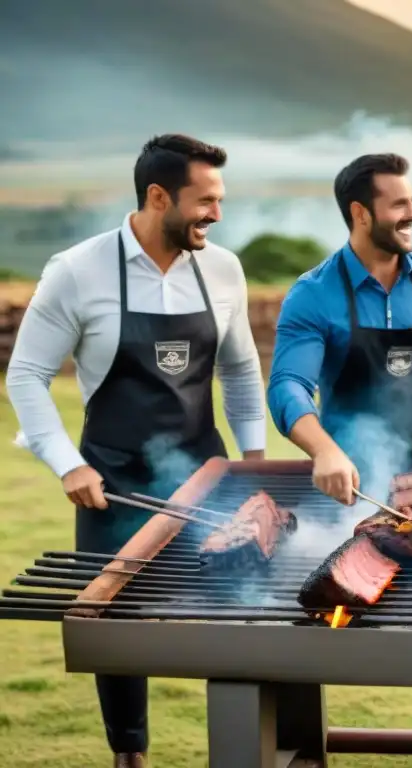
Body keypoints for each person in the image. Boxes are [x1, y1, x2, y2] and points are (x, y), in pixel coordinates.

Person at [5, 134, 267, 767]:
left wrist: (255, 461)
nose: (217, 215)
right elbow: (26, 376)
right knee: (115, 633)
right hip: (112, 481)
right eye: (205, 201)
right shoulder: (77, 270)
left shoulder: (223, 268)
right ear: (158, 196)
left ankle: (247, 749)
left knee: (245, 616)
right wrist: (69, 463)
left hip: (206, 481)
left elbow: (240, 372)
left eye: (220, 200)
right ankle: (131, 757)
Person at [266, 153, 412, 504]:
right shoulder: (313, 294)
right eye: (399, 205)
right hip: (347, 483)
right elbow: (287, 385)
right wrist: (324, 451)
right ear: (360, 214)